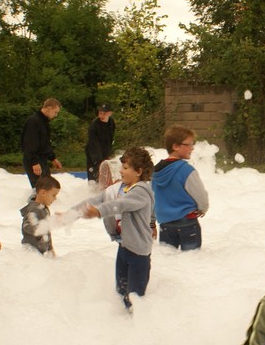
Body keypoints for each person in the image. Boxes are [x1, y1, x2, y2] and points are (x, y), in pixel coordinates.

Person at [74, 147, 155, 312]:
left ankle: (137, 325)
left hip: (139, 252)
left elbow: (120, 205)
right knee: (120, 290)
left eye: (125, 168)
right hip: (124, 247)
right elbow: (96, 199)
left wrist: (99, 212)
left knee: (135, 296)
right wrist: (72, 212)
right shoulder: (119, 189)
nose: (121, 171)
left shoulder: (141, 191)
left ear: (138, 171)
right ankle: (121, 324)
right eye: (122, 167)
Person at [153, 125, 209, 251]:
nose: (192, 148)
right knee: (191, 261)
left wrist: (152, 220)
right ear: (176, 146)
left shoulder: (155, 172)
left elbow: (152, 197)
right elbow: (200, 194)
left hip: (165, 224)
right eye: (188, 144)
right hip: (187, 222)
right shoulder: (186, 170)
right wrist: (203, 208)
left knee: (169, 261)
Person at [21, 98, 63, 188]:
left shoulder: (44, 122)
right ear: (49, 108)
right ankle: (33, 202)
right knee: (40, 189)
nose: (56, 115)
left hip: (42, 160)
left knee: (48, 187)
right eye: (55, 112)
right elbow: (29, 143)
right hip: (34, 160)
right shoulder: (34, 121)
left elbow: (45, 143)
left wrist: (53, 158)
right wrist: (34, 162)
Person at [21, 175, 61, 256]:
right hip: (31, 252)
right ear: (43, 193)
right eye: (54, 195)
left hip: (40, 252)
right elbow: (27, 225)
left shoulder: (43, 208)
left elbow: (46, 232)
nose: (55, 198)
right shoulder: (34, 209)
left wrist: (50, 249)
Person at [85, 103, 115, 183]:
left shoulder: (111, 122)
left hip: (105, 152)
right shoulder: (94, 126)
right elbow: (94, 145)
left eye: (104, 113)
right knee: (94, 178)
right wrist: (98, 161)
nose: (101, 115)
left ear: (110, 113)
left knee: (105, 177)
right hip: (93, 154)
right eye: (100, 113)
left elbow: (110, 140)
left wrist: (108, 155)